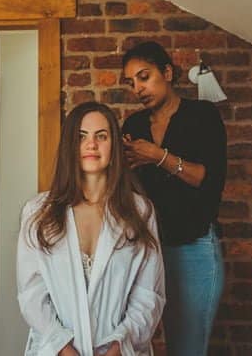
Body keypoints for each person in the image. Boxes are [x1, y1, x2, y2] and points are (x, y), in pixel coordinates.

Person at [17, 101, 165, 356]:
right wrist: (63, 347)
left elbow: (149, 295)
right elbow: (31, 294)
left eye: (102, 136)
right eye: (81, 136)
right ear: (69, 147)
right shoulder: (38, 212)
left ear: (114, 147)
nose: (91, 144)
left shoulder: (140, 212)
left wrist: (119, 346)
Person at [121, 41, 227, 356]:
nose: (138, 88)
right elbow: (128, 187)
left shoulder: (202, 115)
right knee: (139, 342)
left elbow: (205, 178)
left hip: (194, 247)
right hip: (146, 248)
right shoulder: (134, 125)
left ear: (167, 72)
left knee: (188, 347)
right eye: (132, 82)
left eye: (144, 76)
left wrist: (157, 156)